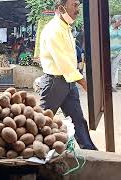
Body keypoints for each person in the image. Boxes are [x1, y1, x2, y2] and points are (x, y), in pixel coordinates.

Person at [39, 0, 97, 150]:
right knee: (41, 121)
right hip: (55, 83)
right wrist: (84, 82)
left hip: (68, 82)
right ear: (61, 8)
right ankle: (32, 152)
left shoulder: (65, 28)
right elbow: (63, 62)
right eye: (74, 5)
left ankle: (90, 151)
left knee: (78, 120)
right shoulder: (53, 30)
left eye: (78, 5)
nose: (77, 9)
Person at [110, 15, 121, 92]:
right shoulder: (108, 29)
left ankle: (112, 86)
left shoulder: (120, 29)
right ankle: (107, 84)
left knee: (114, 69)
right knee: (108, 69)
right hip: (109, 52)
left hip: (118, 52)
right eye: (120, 20)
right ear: (116, 20)